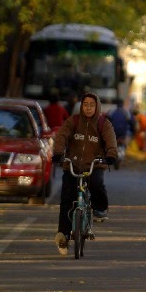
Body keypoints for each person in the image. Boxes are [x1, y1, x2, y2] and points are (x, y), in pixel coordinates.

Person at [52, 92, 118, 255]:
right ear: (81, 106)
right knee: (67, 198)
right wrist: (59, 153)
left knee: (97, 184)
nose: (88, 108)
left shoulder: (104, 123)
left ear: (97, 107)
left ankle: (100, 209)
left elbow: (111, 142)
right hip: (72, 166)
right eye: (85, 104)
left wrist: (110, 156)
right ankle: (63, 236)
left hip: (94, 165)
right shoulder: (73, 121)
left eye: (91, 105)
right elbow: (61, 137)